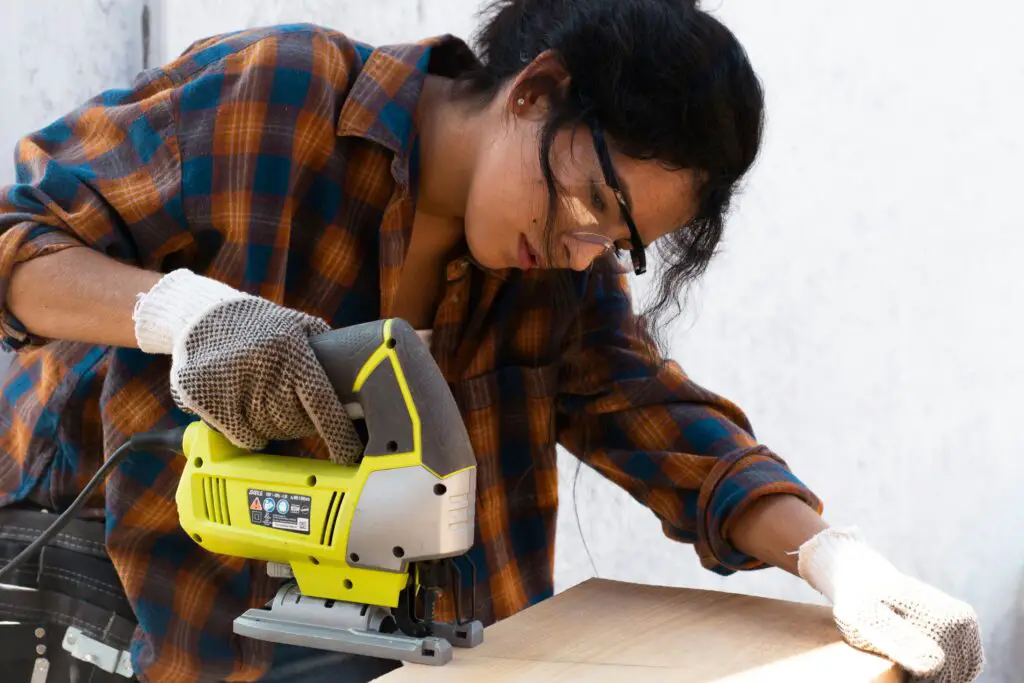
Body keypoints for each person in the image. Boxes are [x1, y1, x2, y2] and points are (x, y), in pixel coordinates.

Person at [0, 1, 983, 682]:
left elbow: (661, 423)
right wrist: (184, 315)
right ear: (532, 91)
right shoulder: (280, 96)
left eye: (616, 238)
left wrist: (829, 556)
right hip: (137, 609)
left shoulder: (555, 273)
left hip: (404, 642)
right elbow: (17, 240)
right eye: (590, 201)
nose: (582, 244)